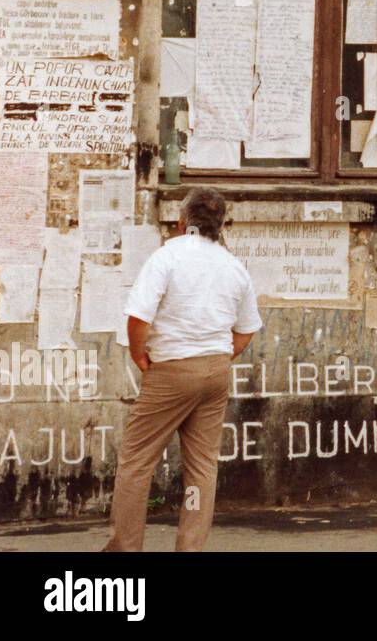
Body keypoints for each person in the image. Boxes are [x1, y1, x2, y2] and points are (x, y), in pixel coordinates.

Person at [104, 188, 261, 552]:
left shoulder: (168, 256)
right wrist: (222, 357)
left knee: (137, 462)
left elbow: (139, 316)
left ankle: (124, 549)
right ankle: (189, 548)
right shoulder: (233, 265)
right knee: (202, 467)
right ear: (220, 225)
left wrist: (140, 356)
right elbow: (247, 326)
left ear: (181, 221)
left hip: (171, 368)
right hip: (216, 369)